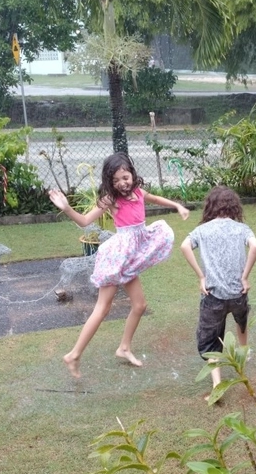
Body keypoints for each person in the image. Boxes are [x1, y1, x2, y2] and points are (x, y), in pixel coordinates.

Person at [48, 152, 190, 377]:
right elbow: (85, 221)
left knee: (140, 305)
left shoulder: (138, 192)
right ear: (109, 183)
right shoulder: (111, 201)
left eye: (125, 177)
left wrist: (177, 206)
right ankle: (73, 355)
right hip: (117, 257)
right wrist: (66, 208)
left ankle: (124, 348)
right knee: (103, 307)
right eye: (116, 180)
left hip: (130, 257)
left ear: (132, 174)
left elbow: (155, 198)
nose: (122, 183)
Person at [180, 186, 256, 402]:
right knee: (241, 323)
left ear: (210, 207)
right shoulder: (242, 228)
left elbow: (184, 246)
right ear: (233, 206)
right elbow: (255, 246)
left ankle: (217, 385)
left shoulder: (202, 230)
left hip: (213, 295)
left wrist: (201, 276)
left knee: (210, 341)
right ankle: (243, 360)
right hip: (238, 292)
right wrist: (245, 276)